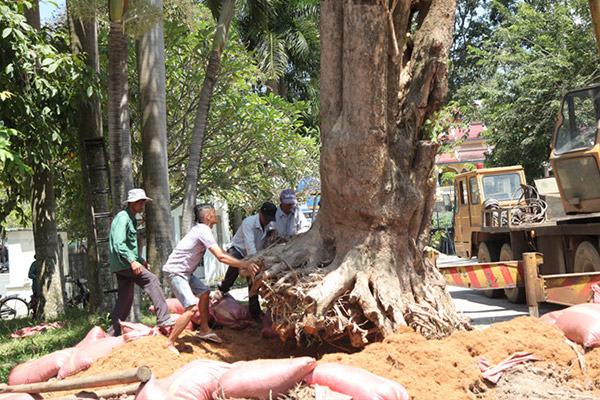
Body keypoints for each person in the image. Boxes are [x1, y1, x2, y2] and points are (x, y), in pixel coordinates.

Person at [163, 205, 260, 353]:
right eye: (214, 213)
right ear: (208, 216)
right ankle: (170, 342)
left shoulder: (201, 229)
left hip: (186, 273)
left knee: (205, 292)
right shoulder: (203, 230)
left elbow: (221, 253)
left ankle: (204, 329)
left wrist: (241, 264)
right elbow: (220, 256)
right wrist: (244, 263)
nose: (216, 216)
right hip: (176, 272)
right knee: (190, 308)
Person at [109, 188, 173, 336]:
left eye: (143, 201)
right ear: (132, 203)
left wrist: (140, 260)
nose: (143, 204)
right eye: (140, 202)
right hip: (124, 263)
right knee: (152, 280)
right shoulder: (123, 217)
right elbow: (119, 244)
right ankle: (164, 320)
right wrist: (132, 261)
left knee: (126, 298)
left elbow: (129, 245)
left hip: (122, 264)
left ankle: (112, 333)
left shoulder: (130, 218)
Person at [216, 202, 277, 321]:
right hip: (239, 250)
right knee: (237, 262)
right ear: (260, 213)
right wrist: (252, 263)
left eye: (270, 219)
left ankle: (254, 311)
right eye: (266, 218)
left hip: (257, 254)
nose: (267, 221)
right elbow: (249, 244)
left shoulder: (271, 224)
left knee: (252, 280)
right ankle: (223, 288)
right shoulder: (248, 222)